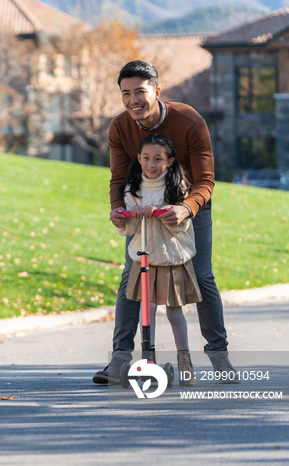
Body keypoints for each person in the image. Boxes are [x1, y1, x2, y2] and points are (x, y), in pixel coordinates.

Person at [93, 60, 239, 385]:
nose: (133, 101)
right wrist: (118, 210)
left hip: (189, 207)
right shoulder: (119, 127)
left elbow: (206, 181)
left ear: (156, 92)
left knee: (201, 275)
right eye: (126, 93)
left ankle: (219, 357)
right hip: (144, 208)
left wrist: (186, 209)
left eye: (140, 92)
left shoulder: (189, 121)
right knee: (132, 276)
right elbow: (119, 178)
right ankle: (119, 360)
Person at [116, 134, 200, 385]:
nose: (151, 164)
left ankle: (185, 361)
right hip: (144, 259)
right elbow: (130, 229)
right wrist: (127, 216)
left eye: (158, 159)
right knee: (147, 310)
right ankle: (148, 360)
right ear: (139, 160)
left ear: (170, 161)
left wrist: (159, 212)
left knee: (174, 314)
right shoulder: (134, 188)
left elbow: (180, 225)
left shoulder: (177, 186)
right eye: (146, 158)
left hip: (170, 258)